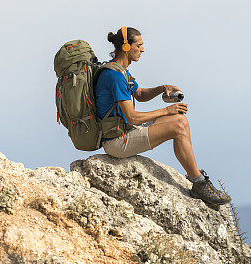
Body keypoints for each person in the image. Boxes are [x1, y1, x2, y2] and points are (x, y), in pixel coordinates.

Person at [95, 26, 231, 206]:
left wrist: (162, 88)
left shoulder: (120, 71)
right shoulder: (114, 76)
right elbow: (132, 118)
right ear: (126, 47)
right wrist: (166, 111)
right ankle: (199, 183)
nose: (143, 49)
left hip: (123, 131)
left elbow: (140, 94)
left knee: (180, 119)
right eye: (140, 45)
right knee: (177, 126)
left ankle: (197, 179)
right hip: (117, 142)